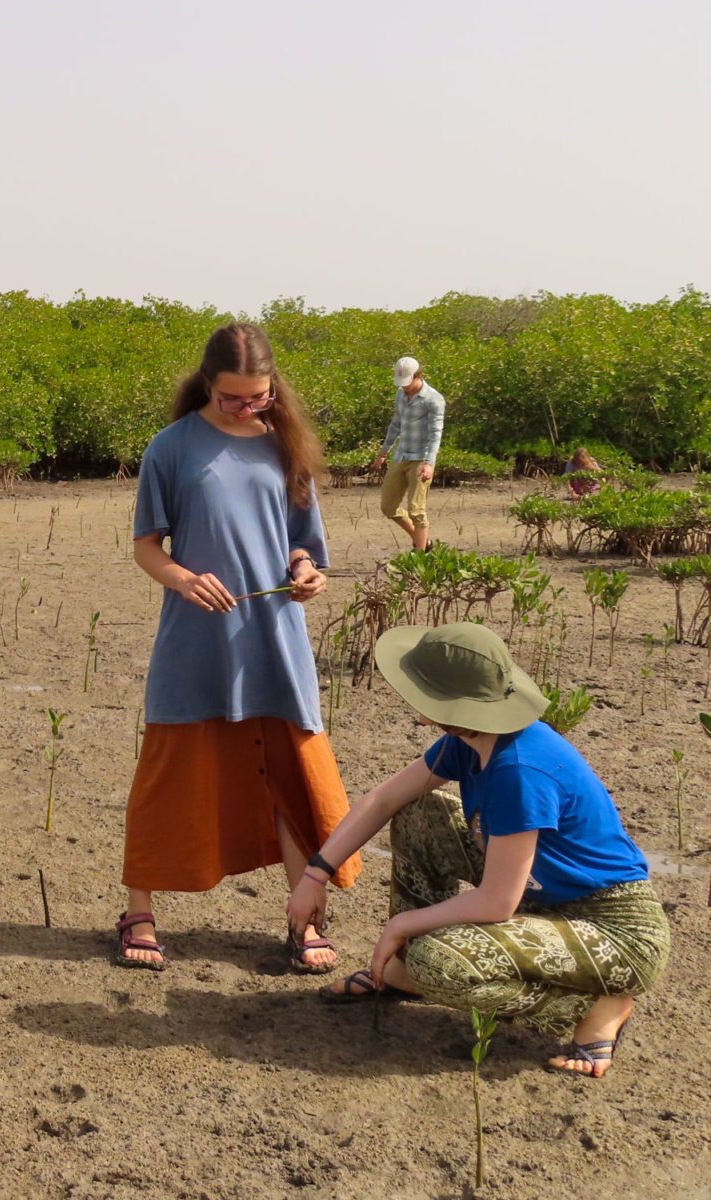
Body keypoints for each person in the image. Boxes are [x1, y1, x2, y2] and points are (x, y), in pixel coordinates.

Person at [288, 622, 670, 1079]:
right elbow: (385, 799)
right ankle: (400, 972)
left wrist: (403, 924)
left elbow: (497, 901)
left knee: (440, 964)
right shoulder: (467, 742)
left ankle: (598, 1002)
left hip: (614, 930)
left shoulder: (519, 769)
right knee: (419, 814)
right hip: (542, 893)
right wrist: (315, 875)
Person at [115, 322, 357, 976]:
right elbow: (146, 547)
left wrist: (308, 571)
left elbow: (302, 545)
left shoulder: (287, 448)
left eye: (257, 397)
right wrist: (185, 579)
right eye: (232, 399)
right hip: (194, 644)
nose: (246, 408)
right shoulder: (170, 449)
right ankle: (139, 910)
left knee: (289, 775)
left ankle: (303, 917)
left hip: (275, 640)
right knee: (170, 774)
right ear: (207, 385)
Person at [371, 356, 446, 551]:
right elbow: (395, 424)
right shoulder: (400, 394)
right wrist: (383, 452)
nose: (403, 387)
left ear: (418, 376)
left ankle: (420, 557)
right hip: (401, 455)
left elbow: (435, 434)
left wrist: (429, 464)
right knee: (388, 507)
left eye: (407, 382)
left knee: (416, 510)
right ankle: (424, 541)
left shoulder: (434, 399)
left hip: (421, 458)